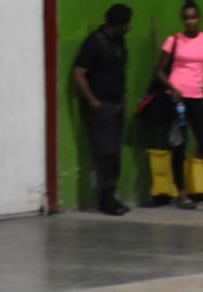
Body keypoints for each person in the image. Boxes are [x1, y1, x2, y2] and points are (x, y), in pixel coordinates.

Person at [155, 0, 203, 209]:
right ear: (183, 20)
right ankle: (182, 194)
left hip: (197, 98)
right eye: (187, 18)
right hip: (177, 99)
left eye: (194, 17)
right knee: (179, 145)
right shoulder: (174, 41)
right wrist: (172, 87)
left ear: (199, 18)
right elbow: (159, 71)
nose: (190, 21)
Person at [73, 4, 133, 216]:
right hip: (102, 106)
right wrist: (93, 102)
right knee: (105, 152)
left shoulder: (119, 42)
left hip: (117, 102)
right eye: (127, 23)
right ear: (119, 23)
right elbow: (79, 73)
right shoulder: (95, 42)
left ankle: (111, 194)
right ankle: (105, 199)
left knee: (115, 152)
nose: (129, 27)